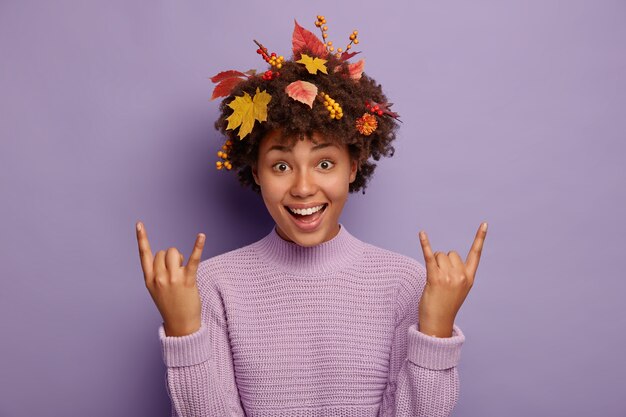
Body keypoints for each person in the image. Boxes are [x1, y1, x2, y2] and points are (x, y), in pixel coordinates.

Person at [135, 15, 487, 417]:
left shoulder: (406, 285)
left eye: (324, 164)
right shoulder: (213, 287)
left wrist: (436, 329)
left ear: (353, 166)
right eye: (281, 166)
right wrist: (183, 333)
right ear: (256, 172)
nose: (303, 188)